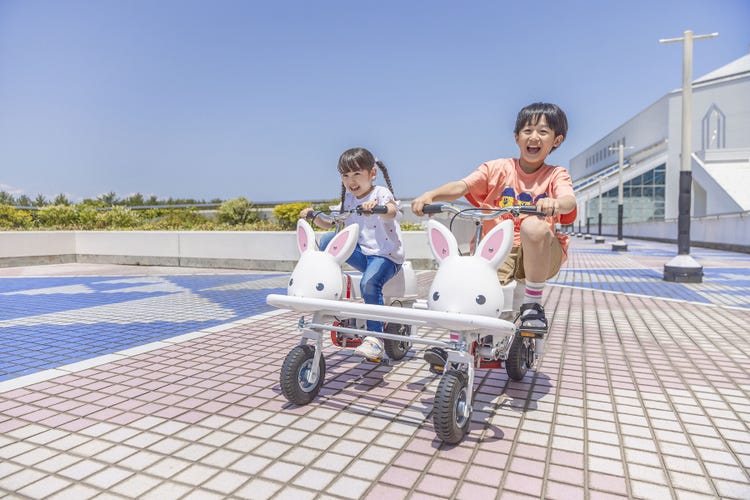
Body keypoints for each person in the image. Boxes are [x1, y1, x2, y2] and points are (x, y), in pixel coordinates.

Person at [411, 102, 577, 371]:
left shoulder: (555, 174)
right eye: (528, 130)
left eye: (543, 132)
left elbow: (568, 200)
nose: (534, 137)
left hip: (541, 250)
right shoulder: (497, 168)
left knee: (533, 226)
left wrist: (555, 203)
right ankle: (456, 344)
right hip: (499, 249)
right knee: (472, 289)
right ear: (517, 137)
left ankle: (533, 305)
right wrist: (432, 195)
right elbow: (462, 186)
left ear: (556, 140)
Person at [300, 147, 404, 361]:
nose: (351, 180)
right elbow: (331, 222)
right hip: (364, 255)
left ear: (372, 173)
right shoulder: (348, 199)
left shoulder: (380, 193)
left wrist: (377, 208)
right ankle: (325, 287)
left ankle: (375, 339)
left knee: (369, 283)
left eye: (357, 173)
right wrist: (313, 215)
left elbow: (392, 210)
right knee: (328, 240)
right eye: (345, 175)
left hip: (385, 256)